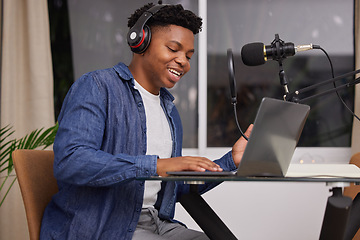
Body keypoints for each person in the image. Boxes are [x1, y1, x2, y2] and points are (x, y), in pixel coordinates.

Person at [40, 2, 252, 240]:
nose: (183, 61)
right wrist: (157, 165)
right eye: (173, 49)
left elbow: (174, 188)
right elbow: (71, 160)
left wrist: (230, 162)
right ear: (140, 42)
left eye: (189, 55)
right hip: (105, 226)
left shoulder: (169, 112)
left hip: (157, 222)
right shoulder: (98, 87)